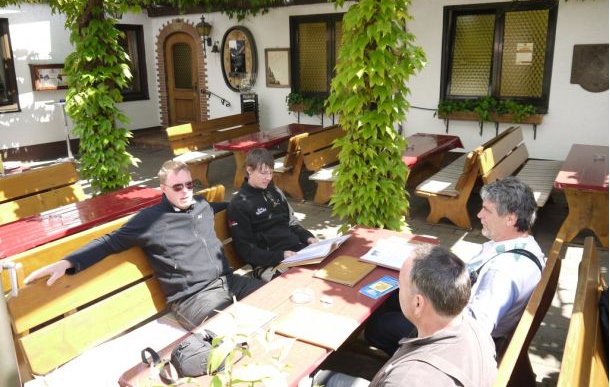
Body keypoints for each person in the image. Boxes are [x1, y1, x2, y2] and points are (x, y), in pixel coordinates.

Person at [24, 160, 264, 331]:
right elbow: (108, 242)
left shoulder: (201, 206)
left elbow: (226, 208)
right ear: (163, 189)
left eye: (189, 185)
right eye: (177, 187)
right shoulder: (150, 221)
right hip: (194, 299)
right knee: (235, 330)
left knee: (274, 297)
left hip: (228, 282)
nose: (185, 192)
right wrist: (67, 262)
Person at [365, 176, 545, 356]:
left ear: (510, 219)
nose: (479, 215)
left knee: (378, 327)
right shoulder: (527, 246)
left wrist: (430, 313)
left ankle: (411, 358)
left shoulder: (502, 273)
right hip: (455, 306)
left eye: (487, 210)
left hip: (449, 334)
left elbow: (475, 328)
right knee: (393, 296)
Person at [313, 246, 498, 387]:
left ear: (418, 303)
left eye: (400, 285)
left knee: (312, 378)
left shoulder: (408, 378)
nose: (397, 290)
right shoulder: (475, 329)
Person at [227, 148, 317, 281]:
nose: (268, 178)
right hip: (270, 264)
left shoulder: (275, 191)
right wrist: (281, 256)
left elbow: (292, 223)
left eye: (270, 172)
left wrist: (308, 237)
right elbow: (247, 251)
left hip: (296, 252)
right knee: (305, 281)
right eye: (263, 173)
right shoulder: (239, 205)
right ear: (249, 170)